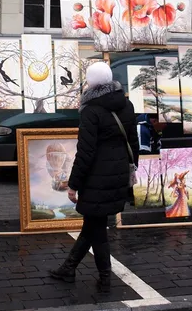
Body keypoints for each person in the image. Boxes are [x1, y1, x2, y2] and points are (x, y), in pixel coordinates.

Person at [49, 62, 139, 292]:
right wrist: (131, 167)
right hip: (118, 173)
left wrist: (73, 185)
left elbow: (86, 152)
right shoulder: (126, 104)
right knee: (93, 224)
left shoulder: (90, 110)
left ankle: (105, 278)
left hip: (96, 178)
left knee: (97, 230)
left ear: (91, 81)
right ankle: (68, 268)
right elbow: (133, 142)